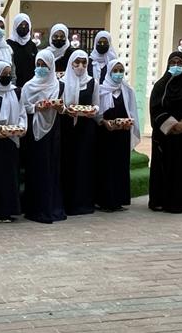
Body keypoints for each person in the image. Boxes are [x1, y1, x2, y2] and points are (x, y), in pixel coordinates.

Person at [149, 51, 182, 214]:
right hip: (165, 136)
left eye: (180, 63)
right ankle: (160, 201)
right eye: (173, 63)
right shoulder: (160, 86)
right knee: (164, 167)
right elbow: (155, 108)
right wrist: (172, 125)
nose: (176, 66)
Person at [20, 50, 66, 224]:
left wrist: (60, 108)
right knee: (37, 168)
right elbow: (24, 107)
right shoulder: (28, 86)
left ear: (51, 66)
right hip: (35, 132)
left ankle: (52, 208)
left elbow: (65, 107)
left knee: (51, 168)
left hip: (53, 131)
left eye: (44, 65)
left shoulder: (59, 86)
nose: (40, 68)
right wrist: (37, 107)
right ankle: (36, 208)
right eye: (38, 65)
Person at [95, 61, 140, 212]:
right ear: (109, 72)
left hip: (122, 134)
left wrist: (129, 123)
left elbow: (132, 111)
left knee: (120, 166)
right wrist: (104, 122)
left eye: (121, 70)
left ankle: (118, 200)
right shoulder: (101, 90)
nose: (118, 74)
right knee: (106, 166)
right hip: (106, 135)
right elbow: (97, 113)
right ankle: (105, 201)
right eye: (115, 70)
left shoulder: (127, 90)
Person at [0, 61, 26, 222]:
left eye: (9, 73)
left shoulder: (16, 92)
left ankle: (9, 210)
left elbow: (22, 113)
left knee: (10, 175)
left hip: (12, 140)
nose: (7, 76)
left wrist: (21, 127)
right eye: (3, 74)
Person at [61, 50, 100, 215]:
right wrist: (66, 110)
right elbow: (60, 104)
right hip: (68, 128)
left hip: (86, 129)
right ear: (71, 63)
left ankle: (83, 203)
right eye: (77, 62)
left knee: (84, 163)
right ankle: (67, 202)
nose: (80, 66)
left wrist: (93, 110)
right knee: (68, 163)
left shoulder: (92, 82)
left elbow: (96, 104)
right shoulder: (62, 82)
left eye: (84, 63)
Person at [7, 12, 38, 90]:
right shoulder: (8, 44)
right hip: (13, 86)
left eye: (26, 25)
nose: (23, 27)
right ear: (15, 26)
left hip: (30, 87)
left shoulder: (32, 45)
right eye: (21, 25)